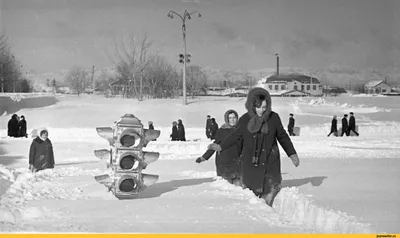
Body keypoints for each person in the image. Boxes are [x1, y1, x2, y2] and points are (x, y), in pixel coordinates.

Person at [207, 87, 300, 207]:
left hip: (270, 160)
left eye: (265, 107)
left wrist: (292, 153)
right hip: (250, 162)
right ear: (252, 106)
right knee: (252, 197)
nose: (262, 110)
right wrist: (221, 146)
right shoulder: (245, 119)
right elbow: (235, 135)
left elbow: (282, 136)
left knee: (271, 187)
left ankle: (269, 208)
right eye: (259, 106)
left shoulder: (274, 118)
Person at [196, 109, 242, 186]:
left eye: (234, 117)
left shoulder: (241, 130)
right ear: (227, 119)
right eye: (230, 118)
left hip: (237, 162)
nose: (232, 120)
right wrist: (204, 157)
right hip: (224, 162)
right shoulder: (222, 131)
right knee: (228, 188)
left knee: (239, 188)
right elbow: (215, 145)